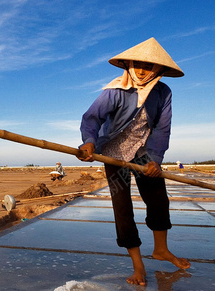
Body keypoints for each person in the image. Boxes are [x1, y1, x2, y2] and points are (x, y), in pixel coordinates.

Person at [76, 38, 191, 286]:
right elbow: (91, 119)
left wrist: (156, 159)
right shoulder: (115, 91)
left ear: (159, 70)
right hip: (113, 153)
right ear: (128, 64)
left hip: (143, 152)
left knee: (158, 198)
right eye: (136, 64)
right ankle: (138, 265)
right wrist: (89, 142)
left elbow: (162, 129)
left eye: (148, 66)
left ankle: (161, 249)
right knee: (123, 207)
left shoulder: (163, 93)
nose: (140, 70)